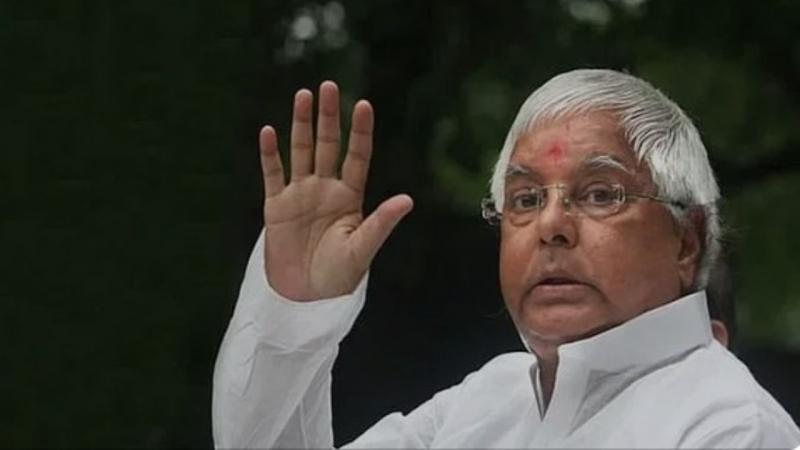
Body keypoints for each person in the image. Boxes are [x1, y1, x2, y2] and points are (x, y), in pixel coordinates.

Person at [212, 70, 800, 448]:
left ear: (687, 240)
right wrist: (296, 318)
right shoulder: (487, 403)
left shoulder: (728, 427)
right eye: (524, 199)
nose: (551, 225)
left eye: (600, 194)